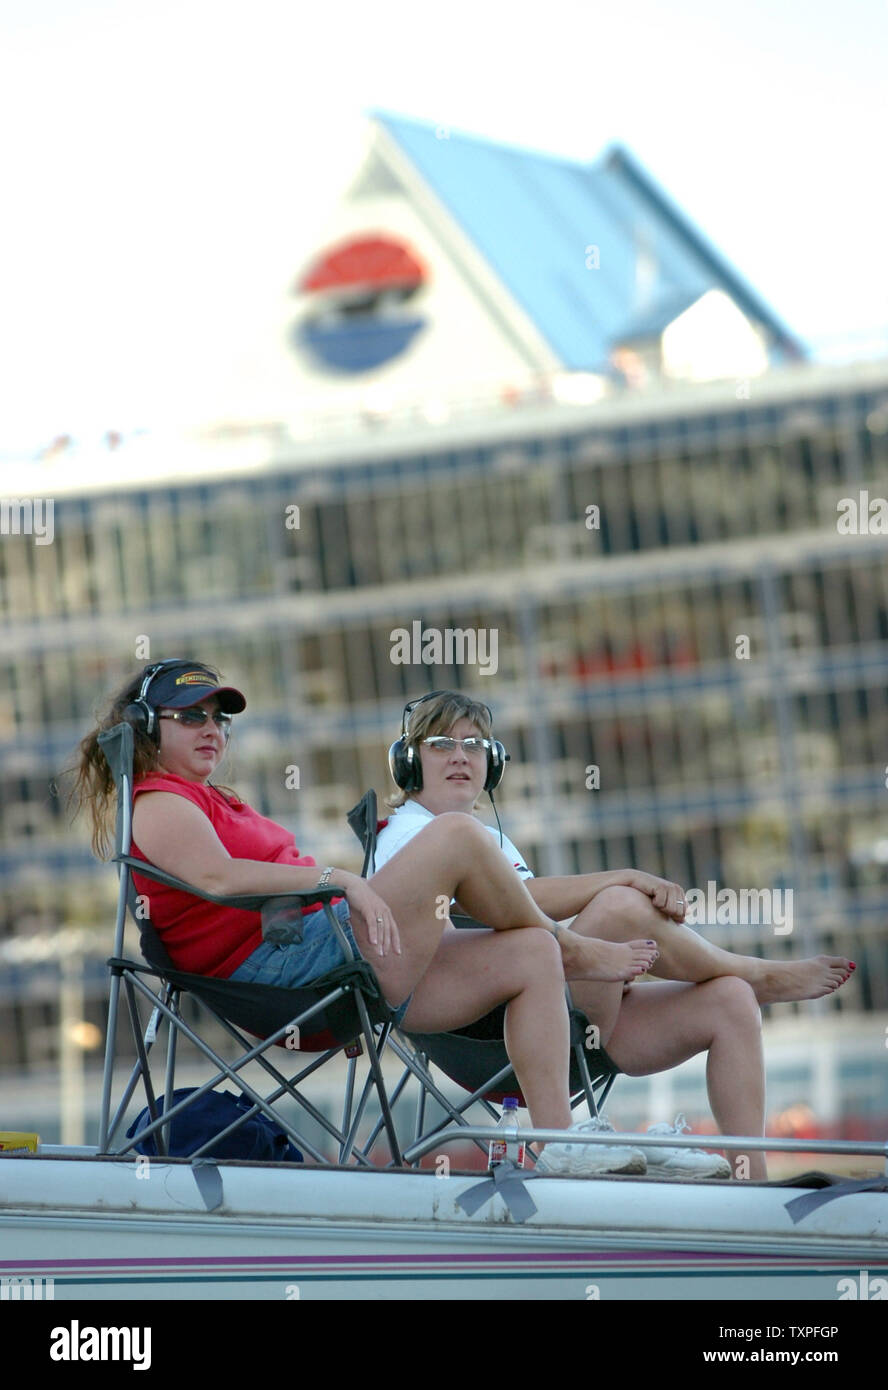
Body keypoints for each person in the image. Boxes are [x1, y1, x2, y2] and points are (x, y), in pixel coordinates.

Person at [71, 658, 672, 1178]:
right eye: (191, 717)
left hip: (324, 952)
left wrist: (341, 892)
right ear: (148, 727)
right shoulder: (157, 801)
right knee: (457, 833)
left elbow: (247, 887)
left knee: (528, 954)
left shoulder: (209, 797)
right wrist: (341, 880)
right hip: (287, 971)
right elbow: (218, 879)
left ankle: (557, 1142)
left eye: (219, 719)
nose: (212, 730)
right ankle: (569, 943)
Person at [373, 690, 857, 1181]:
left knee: (730, 1001)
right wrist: (619, 876)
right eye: (441, 744)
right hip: (485, 1033)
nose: (460, 756)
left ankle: (751, 1183)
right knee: (622, 904)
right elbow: (511, 902)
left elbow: (523, 903)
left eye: (475, 745)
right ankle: (754, 972)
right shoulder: (408, 833)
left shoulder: (491, 836)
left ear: (492, 764)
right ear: (410, 763)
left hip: (567, 1020)